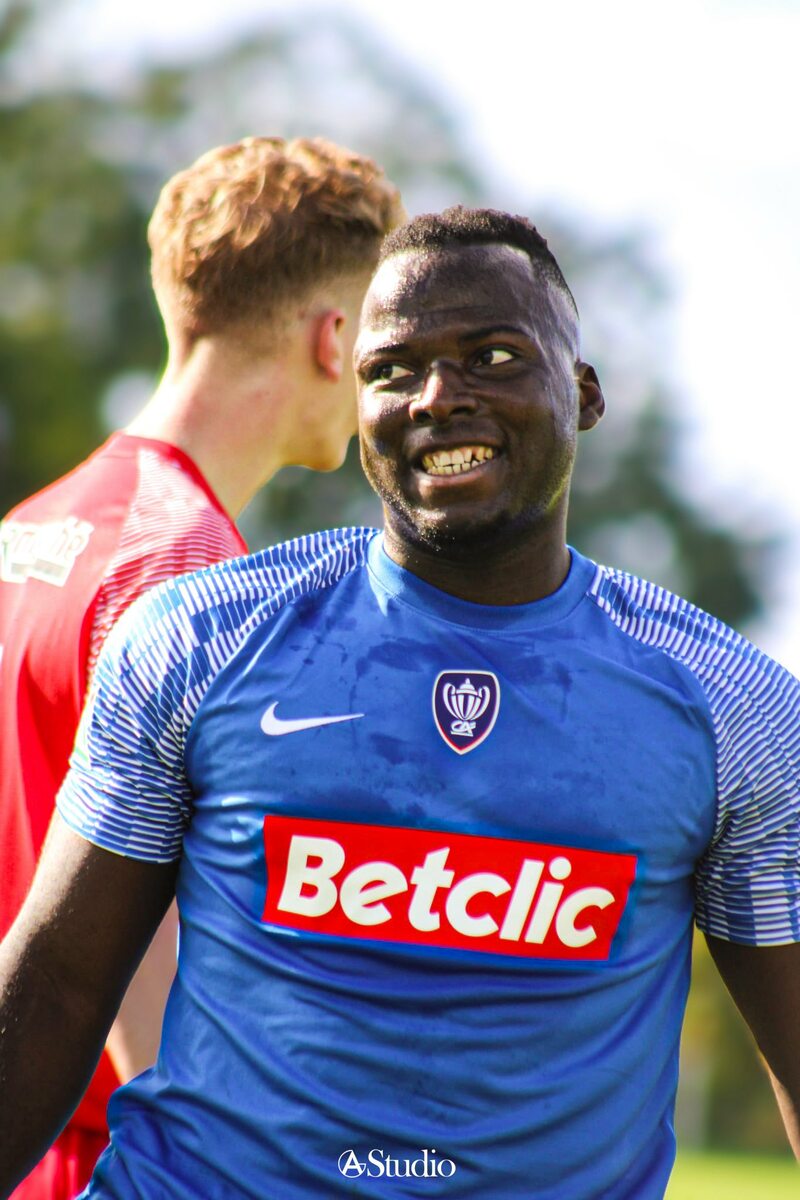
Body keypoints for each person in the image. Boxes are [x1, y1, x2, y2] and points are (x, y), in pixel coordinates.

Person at [1, 206, 799, 1200]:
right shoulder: (197, 638)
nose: (437, 396)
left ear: (584, 393)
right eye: (391, 369)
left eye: (492, 356)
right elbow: (56, 985)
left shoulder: (732, 707)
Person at [0, 134, 402, 1200]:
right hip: (108, 1161)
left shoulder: (28, 530)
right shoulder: (184, 575)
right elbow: (147, 974)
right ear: (334, 339)